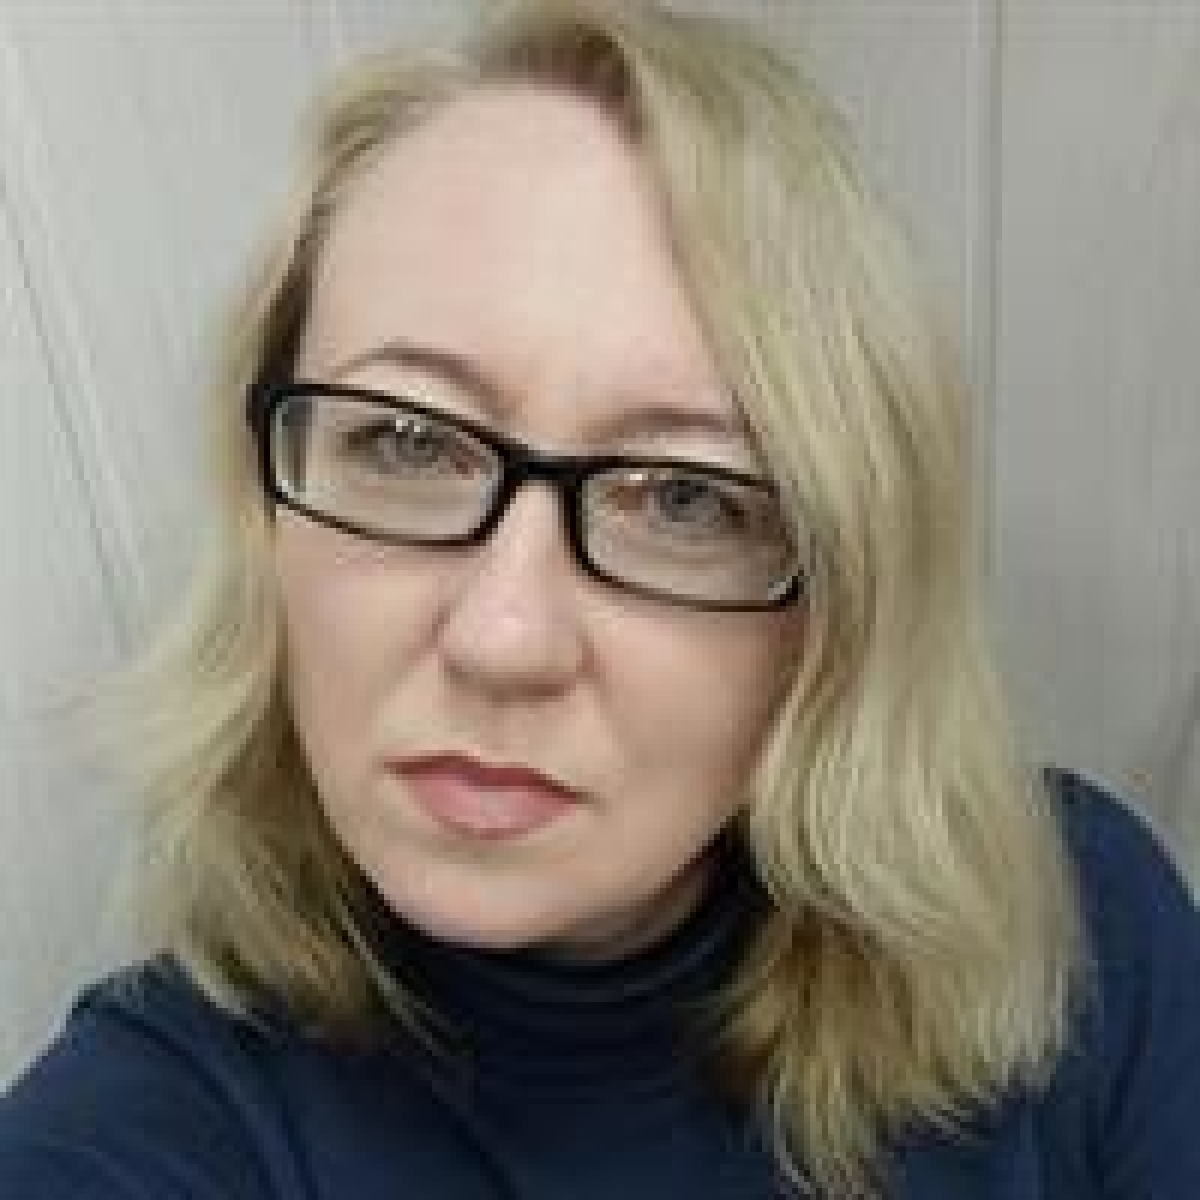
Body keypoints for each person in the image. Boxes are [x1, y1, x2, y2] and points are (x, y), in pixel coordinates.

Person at [2, 2, 1198, 1196]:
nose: (502, 638)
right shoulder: (155, 1122)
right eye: (407, 442)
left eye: (683, 498)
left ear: (839, 593)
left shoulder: (1077, 927)